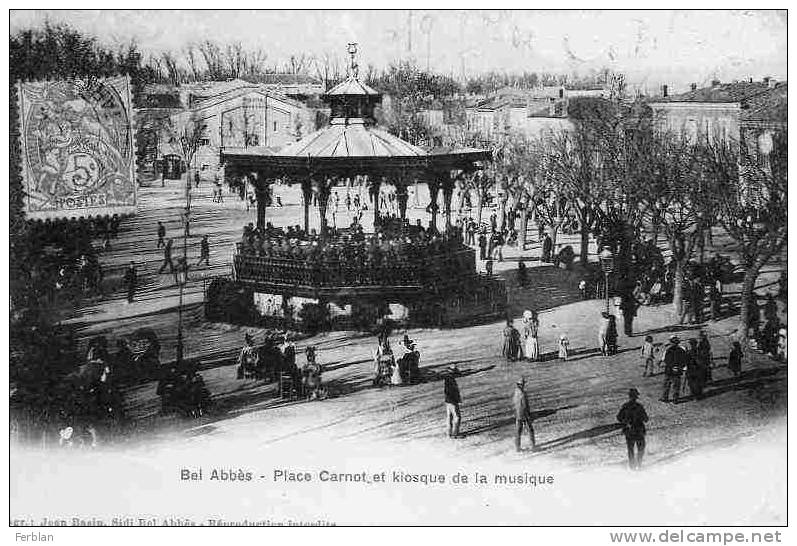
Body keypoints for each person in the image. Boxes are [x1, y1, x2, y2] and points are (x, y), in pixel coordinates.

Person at [616, 388, 648, 470]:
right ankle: (639, 464)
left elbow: (619, 417)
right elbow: (646, 419)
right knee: (641, 449)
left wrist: (625, 421)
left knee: (630, 450)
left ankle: (632, 466)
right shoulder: (639, 407)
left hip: (629, 431)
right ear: (636, 397)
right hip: (639, 431)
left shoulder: (625, 406)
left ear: (629, 397)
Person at [512, 377, 536, 452]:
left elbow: (515, 404)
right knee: (530, 430)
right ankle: (532, 446)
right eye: (522, 384)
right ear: (519, 385)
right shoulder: (521, 393)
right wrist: (527, 415)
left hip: (518, 414)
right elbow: (524, 405)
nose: (523, 385)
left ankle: (517, 447)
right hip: (523, 414)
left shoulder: (516, 392)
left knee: (518, 431)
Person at [661, 336, 687, 403]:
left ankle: (665, 397)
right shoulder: (681, 351)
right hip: (677, 370)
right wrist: (680, 367)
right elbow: (684, 361)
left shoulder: (669, 350)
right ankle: (675, 399)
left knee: (666, 384)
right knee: (676, 386)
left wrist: (672, 366)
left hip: (669, 370)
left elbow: (666, 360)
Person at [443, 367, 462, 438]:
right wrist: (455, 401)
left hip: (448, 401)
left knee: (449, 417)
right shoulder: (450, 380)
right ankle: (455, 434)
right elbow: (449, 392)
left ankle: (448, 433)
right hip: (452, 401)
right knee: (457, 417)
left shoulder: (448, 379)